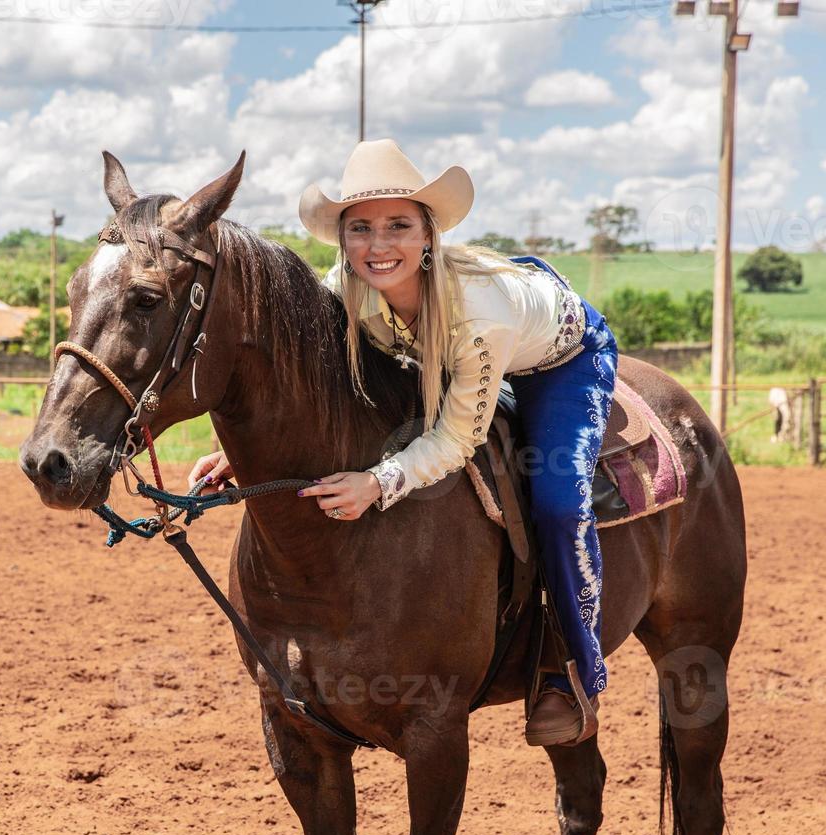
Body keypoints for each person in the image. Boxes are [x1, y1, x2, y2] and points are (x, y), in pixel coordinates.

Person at [188, 139, 618, 746]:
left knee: (557, 501)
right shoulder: (342, 289)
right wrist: (240, 454)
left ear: (428, 234)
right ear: (342, 240)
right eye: (360, 228)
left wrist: (379, 481)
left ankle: (573, 669)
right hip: (438, 355)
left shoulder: (477, 312)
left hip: (554, 357)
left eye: (397, 225)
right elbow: (303, 386)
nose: (378, 244)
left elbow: (457, 437)